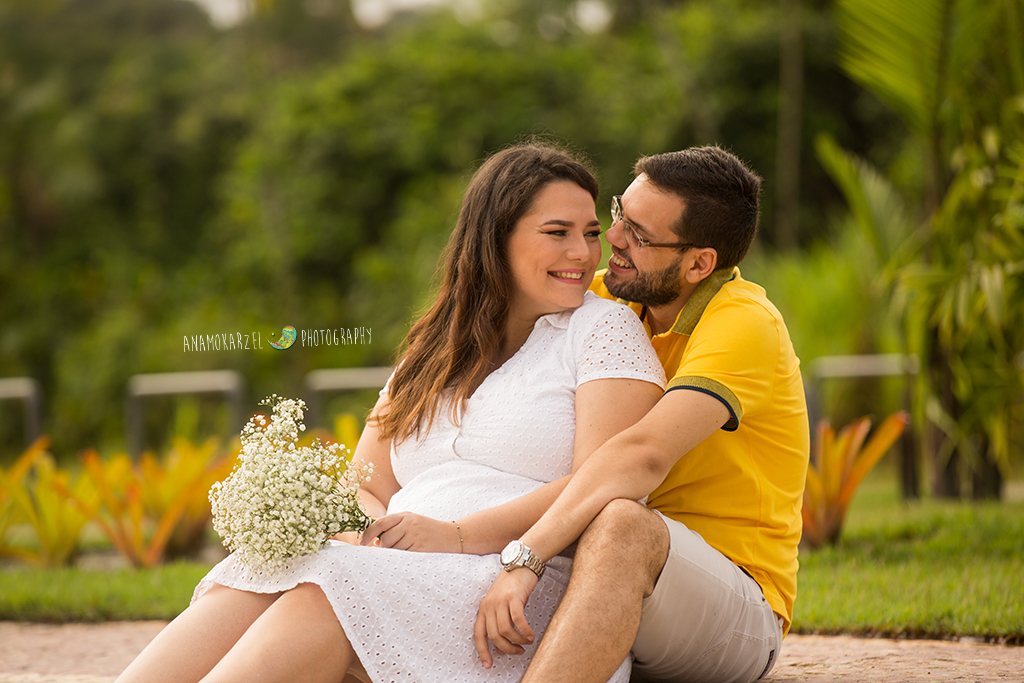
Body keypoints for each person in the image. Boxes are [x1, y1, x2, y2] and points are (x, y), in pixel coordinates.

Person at [114, 142, 666, 683]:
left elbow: (597, 483)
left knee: (328, 589)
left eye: (591, 233)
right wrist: (370, 539)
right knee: (261, 575)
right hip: (397, 568)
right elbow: (367, 482)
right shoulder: (433, 347)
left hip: (512, 585)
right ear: (494, 239)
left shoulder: (603, 330)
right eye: (558, 233)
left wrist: (454, 534)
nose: (583, 253)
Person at [475, 146, 810, 683]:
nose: (612, 240)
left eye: (639, 234)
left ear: (700, 263)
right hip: (602, 571)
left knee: (622, 523)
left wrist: (525, 556)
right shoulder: (617, 296)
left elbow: (644, 455)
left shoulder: (745, 325)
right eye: (618, 215)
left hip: (736, 608)